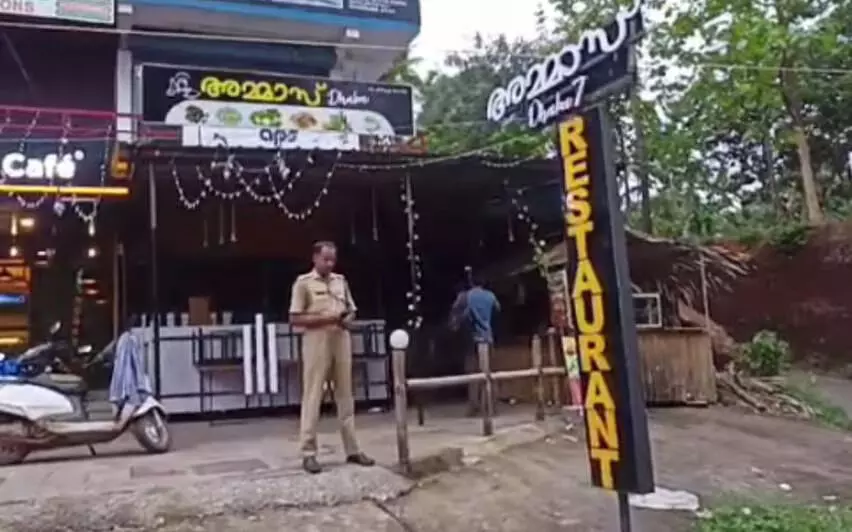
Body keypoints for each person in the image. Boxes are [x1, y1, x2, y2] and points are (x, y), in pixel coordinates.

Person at [289, 241, 374, 474]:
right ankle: (308, 452)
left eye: (332, 260)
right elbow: (295, 318)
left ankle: (352, 449)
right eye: (325, 259)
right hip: (316, 340)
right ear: (315, 258)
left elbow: (352, 308)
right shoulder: (304, 283)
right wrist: (326, 319)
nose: (329, 264)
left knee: (346, 395)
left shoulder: (340, 281)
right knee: (313, 394)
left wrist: (348, 318)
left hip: (341, 338)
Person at [460, 276, 500, 415]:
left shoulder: (466, 296)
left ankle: (474, 406)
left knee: (473, 374)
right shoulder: (490, 296)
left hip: (472, 339)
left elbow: (462, 315)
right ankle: (490, 406)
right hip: (488, 338)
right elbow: (498, 310)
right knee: (489, 372)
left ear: (471, 283)